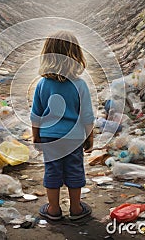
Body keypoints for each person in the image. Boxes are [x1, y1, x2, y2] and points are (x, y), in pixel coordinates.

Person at [30, 30, 95, 221]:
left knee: (52, 170)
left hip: (50, 136)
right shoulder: (80, 84)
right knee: (74, 170)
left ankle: (53, 209)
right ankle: (76, 209)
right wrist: (89, 137)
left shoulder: (42, 84)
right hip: (74, 137)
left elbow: (36, 115)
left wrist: (36, 137)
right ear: (76, 55)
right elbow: (87, 116)